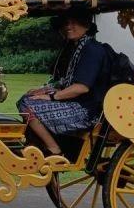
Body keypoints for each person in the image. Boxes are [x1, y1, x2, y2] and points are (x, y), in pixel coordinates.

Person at [17, 10, 108, 155]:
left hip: (86, 111)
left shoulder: (92, 50)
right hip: (78, 103)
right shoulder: (78, 47)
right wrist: (44, 90)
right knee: (29, 97)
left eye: (74, 23)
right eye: (66, 23)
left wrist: (52, 97)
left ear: (86, 25)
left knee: (26, 104)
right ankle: (34, 143)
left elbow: (81, 87)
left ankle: (53, 149)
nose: (68, 27)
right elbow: (67, 82)